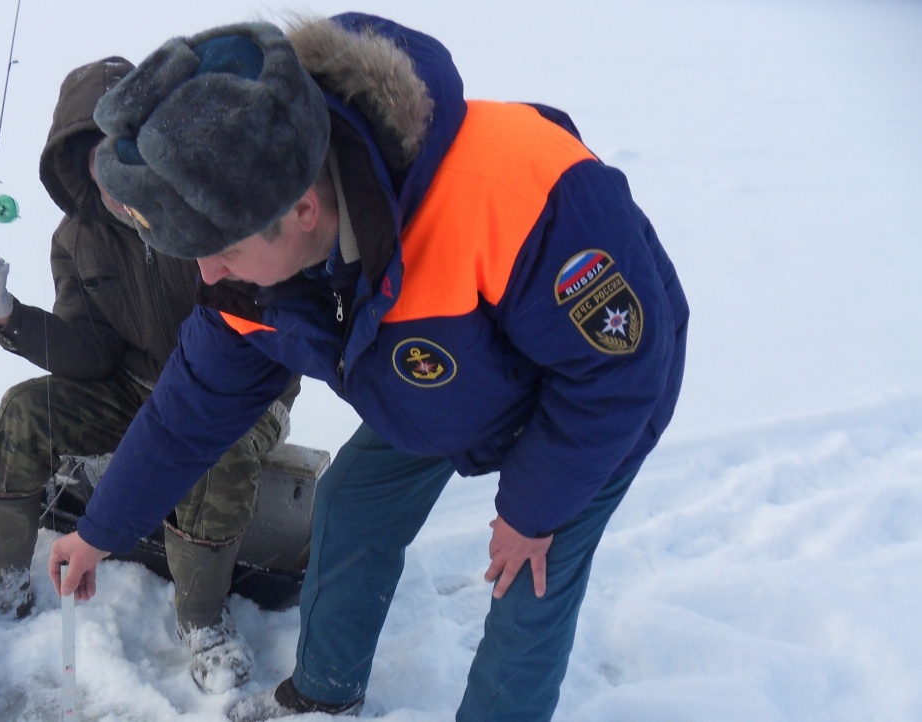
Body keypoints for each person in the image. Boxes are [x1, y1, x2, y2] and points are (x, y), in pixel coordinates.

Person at [48, 14, 689, 722]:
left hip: (594, 400)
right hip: (440, 382)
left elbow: (617, 372)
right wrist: (98, 531)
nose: (207, 272)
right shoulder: (251, 276)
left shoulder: (518, 196)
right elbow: (185, 415)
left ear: (302, 209)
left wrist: (533, 511)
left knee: (526, 585)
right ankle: (322, 696)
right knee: (351, 503)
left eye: (221, 250)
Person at [0, 56, 297, 695]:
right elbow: (92, 352)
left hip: (244, 390)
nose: (110, 169)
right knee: (26, 406)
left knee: (217, 450)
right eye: (92, 151)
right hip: (136, 388)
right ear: (74, 159)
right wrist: (10, 318)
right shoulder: (77, 239)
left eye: (123, 146)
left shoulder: (204, 203)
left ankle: (202, 620)